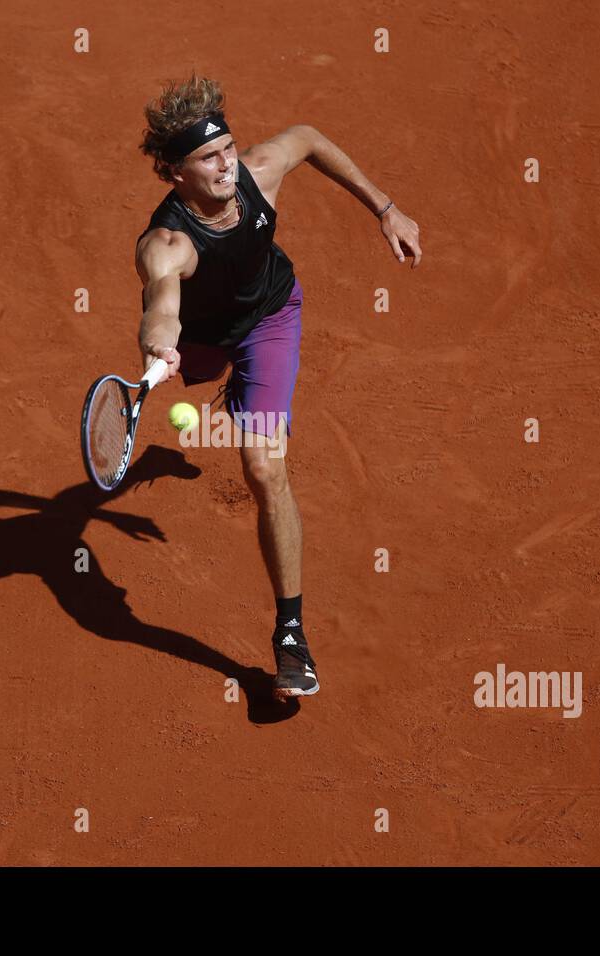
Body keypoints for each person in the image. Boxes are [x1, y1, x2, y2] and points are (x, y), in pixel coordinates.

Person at [134, 74, 422, 700]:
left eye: (228, 149)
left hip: (268, 317)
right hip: (200, 338)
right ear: (174, 174)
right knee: (201, 377)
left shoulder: (257, 172)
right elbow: (161, 303)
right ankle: (216, 391)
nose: (226, 165)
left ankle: (290, 633)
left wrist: (385, 207)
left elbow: (310, 138)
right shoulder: (168, 243)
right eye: (208, 158)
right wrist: (159, 341)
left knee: (264, 467)